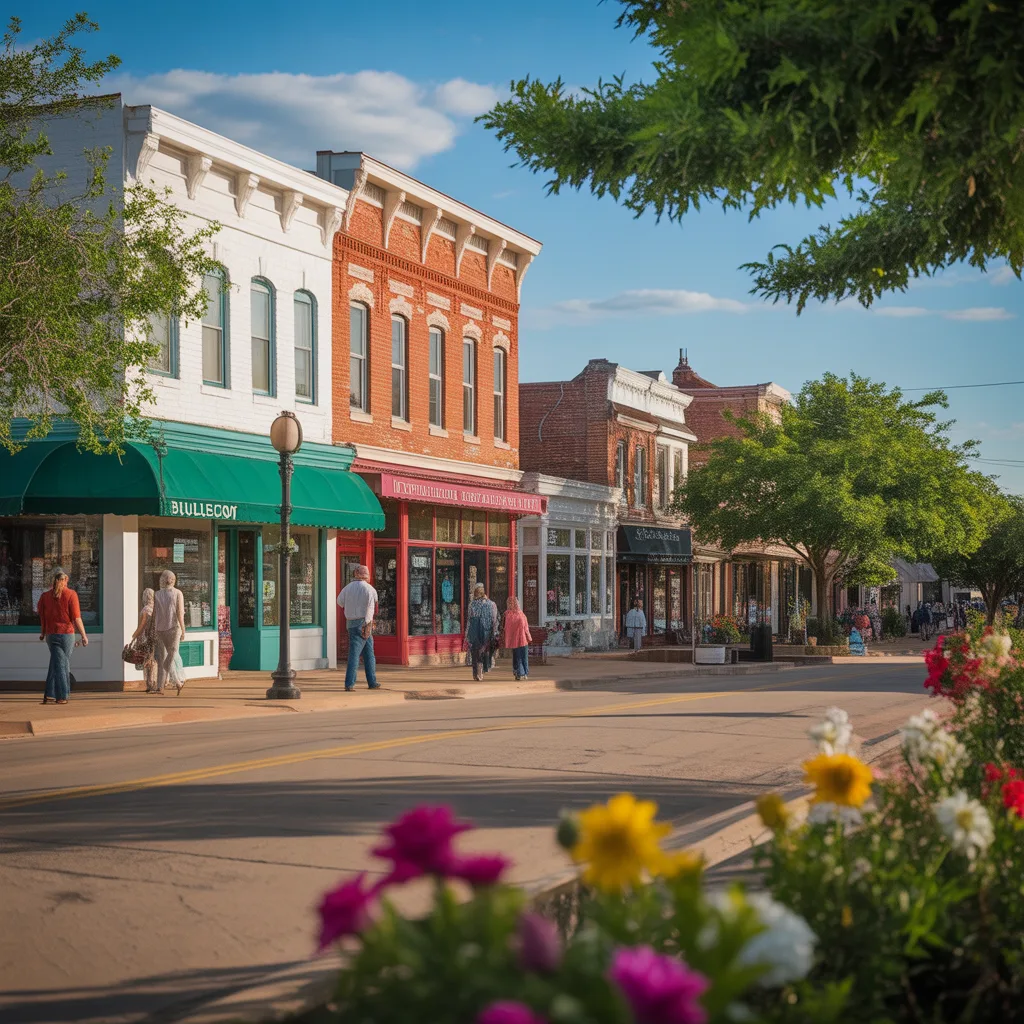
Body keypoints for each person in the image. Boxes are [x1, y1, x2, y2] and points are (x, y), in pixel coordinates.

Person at [37, 567, 88, 705]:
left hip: (51, 635)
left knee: (56, 661)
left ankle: (49, 694)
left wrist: (43, 633)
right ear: (65, 579)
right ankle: (62, 695)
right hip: (66, 634)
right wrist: (84, 635)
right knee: (62, 664)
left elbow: (43, 617)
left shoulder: (44, 597)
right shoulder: (71, 595)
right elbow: (77, 618)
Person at [337, 564, 380, 691]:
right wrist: (367, 624)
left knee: (368, 653)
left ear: (356, 574)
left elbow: (339, 601)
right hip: (364, 622)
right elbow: (372, 608)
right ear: (366, 576)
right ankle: (350, 683)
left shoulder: (347, 588)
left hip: (350, 622)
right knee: (357, 655)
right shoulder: (370, 589)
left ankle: (372, 682)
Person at [153, 569, 186, 694]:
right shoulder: (178, 593)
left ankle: (163, 686)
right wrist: (183, 629)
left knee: (163, 657)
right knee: (171, 655)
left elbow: (155, 614)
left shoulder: (157, 594)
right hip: (173, 628)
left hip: (160, 629)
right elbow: (179, 614)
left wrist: (154, 628)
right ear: (173, 580)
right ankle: (175, 681)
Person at [466, 583, 496, 681]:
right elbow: (494, 619)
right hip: (486, 631)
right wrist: (494, 631)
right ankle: (482, 670)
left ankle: (477, 673)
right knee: (484, 651)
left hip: (475, 631)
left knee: (475, 652)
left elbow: (469, 620)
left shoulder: (472, 604)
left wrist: (467, 634)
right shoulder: (491, 604)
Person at [130, 588, 158, 692]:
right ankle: (155, 682)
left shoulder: (145, 609)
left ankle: (149, 684)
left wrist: (135, 636)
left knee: (146, 661)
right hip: (154, 638)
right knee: (154, 661)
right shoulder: (156, 608)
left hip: (145, 638)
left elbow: (142, 625)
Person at [503, 596, 532, 680]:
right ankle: (524, 673)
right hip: (523, 639)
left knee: (516, 656)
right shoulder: (521, 615)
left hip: (513, 640)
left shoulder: (507, 615)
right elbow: (526, 628)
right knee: (524, 657)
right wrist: (529, 637)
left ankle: (517, 672)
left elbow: (504, 628)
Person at [483, 592, 501, 674]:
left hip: (486, 632)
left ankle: (486, 666)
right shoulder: (493, 605)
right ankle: (489, 665)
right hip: (492, 631)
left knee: (486, 650)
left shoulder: (482, 606)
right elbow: (497, 619)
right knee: (490, 650)